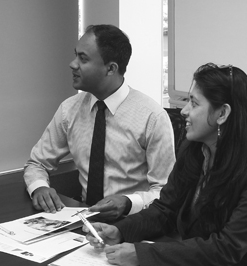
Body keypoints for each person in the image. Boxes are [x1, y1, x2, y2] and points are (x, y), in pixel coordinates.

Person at [84, 63, 247, 265]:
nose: (184, 111)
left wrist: (142, 254)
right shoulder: (193, 149)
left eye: (194, 104)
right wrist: (120, 230)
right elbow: (165, 210)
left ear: (222, 114)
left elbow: (227, 248)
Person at [23, 24, 175, 220]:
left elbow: (166, 191)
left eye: (83, 59)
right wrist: (39, 187)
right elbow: (37, 163)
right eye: (75, 55)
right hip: (84, 220)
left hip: (134, 223)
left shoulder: (151, 117)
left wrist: (128, 202)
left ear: (111, 68)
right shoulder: (70, 109)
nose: (72, 64)